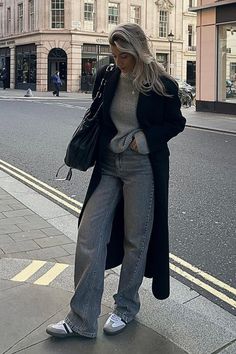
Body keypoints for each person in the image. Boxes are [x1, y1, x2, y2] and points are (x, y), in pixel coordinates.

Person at [46, 23, 186, 339]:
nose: (118, 61)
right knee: (89, 234)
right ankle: (81, 319)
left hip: (142, 168)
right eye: (115, 54)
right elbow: (98, 114)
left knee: (136, 240)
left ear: (138, 51)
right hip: (109, 166)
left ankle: (125, 308)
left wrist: (145, 139)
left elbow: (176, 123)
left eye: (124, 56)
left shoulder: (162, 84)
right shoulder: (108, 75)